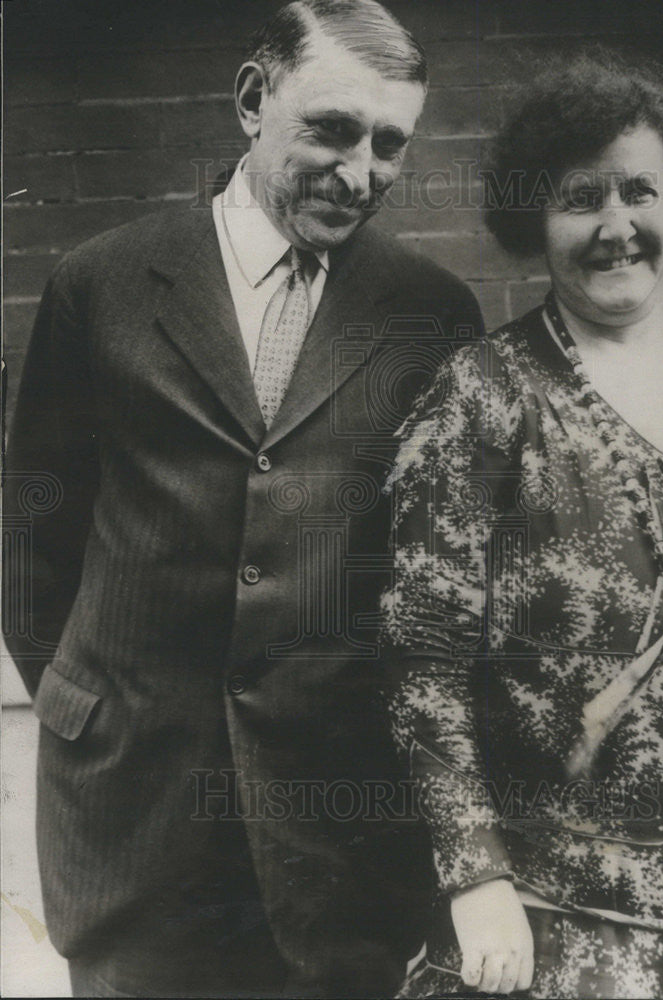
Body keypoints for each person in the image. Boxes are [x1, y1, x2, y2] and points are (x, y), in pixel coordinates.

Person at [3, 2, 485, 996]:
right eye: (333, 129)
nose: (360, 174)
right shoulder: (102, 283)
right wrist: (84, 701)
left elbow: (435, 568)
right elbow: (31, 528)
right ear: (252, 99)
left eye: (389, 144)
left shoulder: (431, 315)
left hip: (337, 837)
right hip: (135, 817)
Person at [382, 45, 663, 999]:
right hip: (562, 931)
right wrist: (476, 877)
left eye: (639, 191)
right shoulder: (481, 400)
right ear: (531, 220)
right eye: (581, 198)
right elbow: (425, 668)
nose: (616, 225)